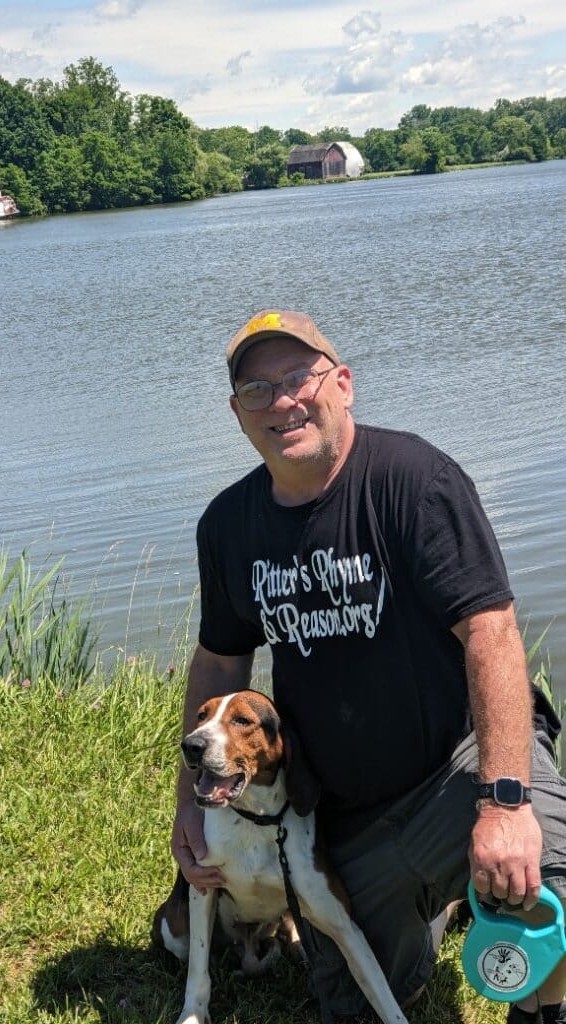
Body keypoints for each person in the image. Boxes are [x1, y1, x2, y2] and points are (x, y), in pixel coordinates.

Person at [171, 309, 566, 1022]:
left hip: (459, 769)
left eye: (299, 377)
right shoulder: (228, 526)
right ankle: (445, 902)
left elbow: (492, 631)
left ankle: (543, 1004)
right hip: (346, 818)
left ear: (343, 384)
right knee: (352, 1004)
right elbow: (218, 664)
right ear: (237, 413)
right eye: (257, 391)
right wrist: (189, 810)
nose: (283, 401)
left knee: (553, 872)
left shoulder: (416, 480)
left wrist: (503, 802)